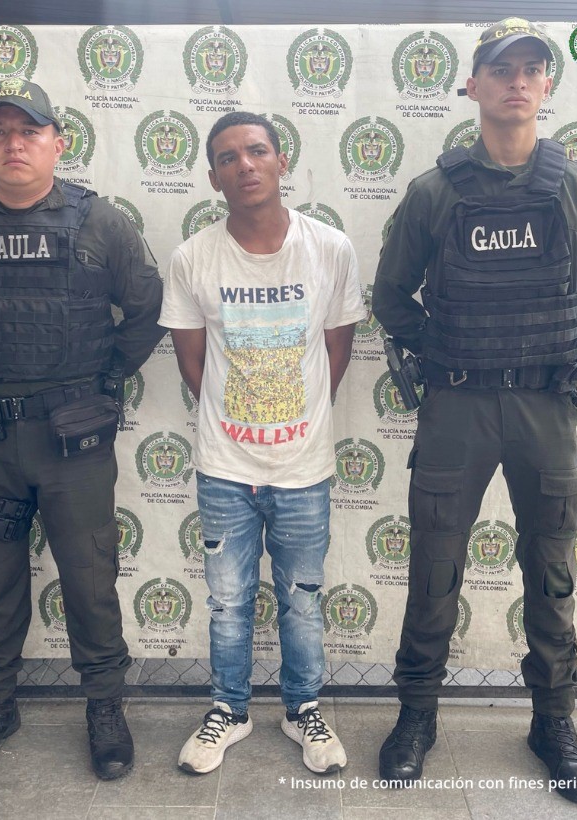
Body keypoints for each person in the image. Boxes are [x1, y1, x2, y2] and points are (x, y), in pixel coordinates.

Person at [372, 18, 577, 804]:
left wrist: (551, 344)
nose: (517, 80)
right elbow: (389, 297)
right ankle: (417, 715)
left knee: (550, 570)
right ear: (473, 85)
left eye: (531, 68)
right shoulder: (435, 192)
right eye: (500, 68)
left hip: (545, 407)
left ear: (547, 85)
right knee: (434, 569)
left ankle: (553, 722)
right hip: (457, 404)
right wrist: (446, 345)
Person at [0, 78, 165, 780]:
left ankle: (105, 706)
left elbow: (143, 311)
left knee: (88, 577)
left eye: (29, 131)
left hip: (71, 440)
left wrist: (99, 379)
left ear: (59, 141)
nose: (13, 144)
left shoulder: (99, 222)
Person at [160, 112, 366, 775]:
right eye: (227, 157)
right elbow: (193, 364)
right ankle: (230, 708)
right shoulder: (194, 257)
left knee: (302, 596)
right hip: (224, 466)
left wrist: (295, 421)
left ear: (282, 162)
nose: (244, 164)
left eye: (256, 151)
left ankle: (304, 709)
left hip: (304, 466)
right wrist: (236, 422)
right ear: (213, 176)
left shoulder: (329, 248)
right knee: (227, 601)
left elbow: (336, 353)